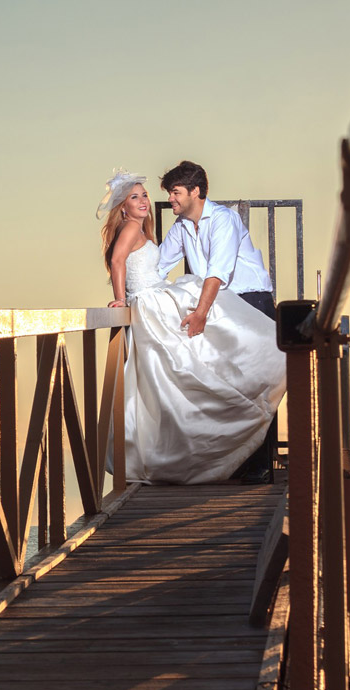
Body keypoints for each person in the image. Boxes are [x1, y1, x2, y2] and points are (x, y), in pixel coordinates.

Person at [98, 167, 286, 485]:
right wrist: (132, 295)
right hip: (217, 303)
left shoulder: (223, 220)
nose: (167, 198)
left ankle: (260, 462)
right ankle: (231, 456)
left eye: (175, 192)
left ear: (195, 192)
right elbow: (157, 263)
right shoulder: (181, 226)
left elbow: (217, 273)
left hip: (248, 298)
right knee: (223, 376)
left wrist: (198, 313)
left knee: (258, 373)